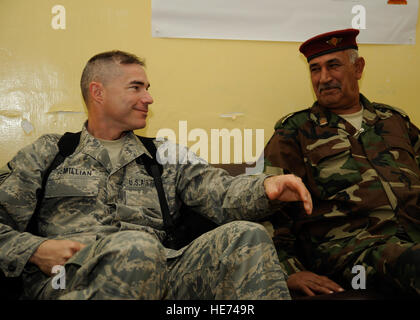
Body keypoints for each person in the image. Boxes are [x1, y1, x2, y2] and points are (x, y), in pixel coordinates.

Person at [0, 50, 313, 300]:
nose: (148, 98)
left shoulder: (164, 155)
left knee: (246, 235)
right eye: (136, 87)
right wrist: (34, 249)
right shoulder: (49, 154)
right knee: (138, 247)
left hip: (162, 274)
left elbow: (220, 191)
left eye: (147, 88)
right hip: (72, 279)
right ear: (98, 92)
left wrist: (267, 187)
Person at [263, 29, 420, 297]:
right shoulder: (294, 132)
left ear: (358, 68)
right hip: (352, 254)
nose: (323, 78)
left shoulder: (395, 122)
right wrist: (287, 270)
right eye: (315, 69)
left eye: (333, 65)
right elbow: (269, 209)